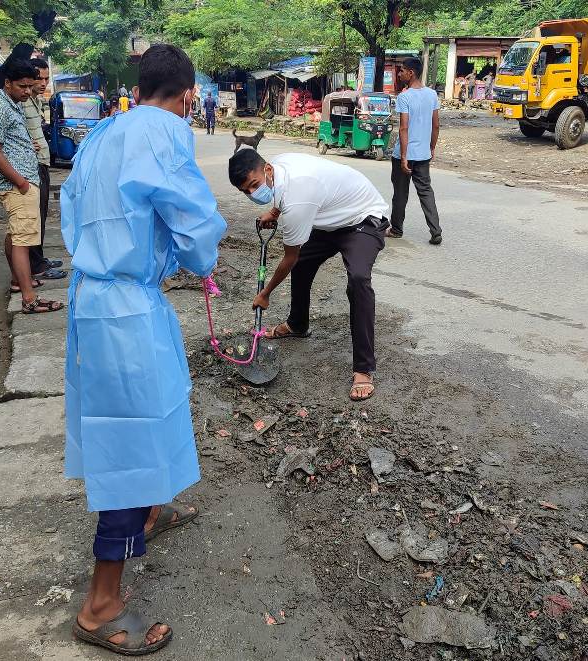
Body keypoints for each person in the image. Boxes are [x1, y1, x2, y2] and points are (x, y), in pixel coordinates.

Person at [62, 44, 227, 653]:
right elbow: (192, 218)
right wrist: (199, 259)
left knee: (151, 413)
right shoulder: (166, 130)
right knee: (131, 435)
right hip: (127, 307)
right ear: (187, 95)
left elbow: (73, 206)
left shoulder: (105, 131)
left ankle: (154, 507)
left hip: (96, 296)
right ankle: (100, 605)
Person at [228, 149, 388, 401]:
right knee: (304, 263)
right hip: (329, 218)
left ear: (267, 169)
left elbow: (288, 258)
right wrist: (275, 211)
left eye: (254, 185)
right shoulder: (278, 169)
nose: (251, 194)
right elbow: (287, 197)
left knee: (358, 279)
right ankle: (297, 324)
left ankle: (364, 368)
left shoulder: (298, 198)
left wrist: (265, 294)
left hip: (362, 218)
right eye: (245, 191)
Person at [0, 58, 62, 314]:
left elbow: (9, 142)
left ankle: (20, 282)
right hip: (19, 184)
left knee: (17, 235)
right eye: (22, 86)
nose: (28, 91)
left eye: (31, 85)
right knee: (23, 241)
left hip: (23, 179)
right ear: (8, 83)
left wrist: (29, 147)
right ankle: (30, 299)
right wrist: (21, 182)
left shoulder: (13, 104)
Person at [387, 57, 442, 245]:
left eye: (402, 70)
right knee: (426, 191)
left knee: (400, 193)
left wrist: (403, 157)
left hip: (405, 154)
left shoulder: (404, 97)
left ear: (411, 73)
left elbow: (404, 128)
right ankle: (436, 231)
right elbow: (436, 125)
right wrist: (431, 147)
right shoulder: (432, 95)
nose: (400, 73)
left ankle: (396, 229)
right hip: (423, 154)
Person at [23, 57, 66, 282]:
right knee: (32, 218)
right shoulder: (21, 101)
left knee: (40, 215)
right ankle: (35, 266)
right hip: (29, 167)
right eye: (39, 78)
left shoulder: (36, 101)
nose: (43, 83)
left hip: (41, 163)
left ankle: (39, 259)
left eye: (46, 78)